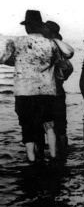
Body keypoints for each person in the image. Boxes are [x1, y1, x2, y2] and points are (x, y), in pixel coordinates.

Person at [0, 10, 62, 161]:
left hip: (24, 91)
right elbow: (60, 59)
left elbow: (3, 59)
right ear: (40, 26)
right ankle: (53, 156)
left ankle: (32, 159)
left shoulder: (16, 41)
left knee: (27, 126)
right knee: (49, 125)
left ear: (27, 26)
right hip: (47, 90)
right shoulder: (51, 43)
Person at [43, 21, 75, 151]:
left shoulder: (51, 45)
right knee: (60, 127)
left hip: (47, 91)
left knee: (47, 126)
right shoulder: (57, 47)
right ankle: (61, 155)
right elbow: (69, 68)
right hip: (57, 89)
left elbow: (68, 65)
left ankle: (53, 156)